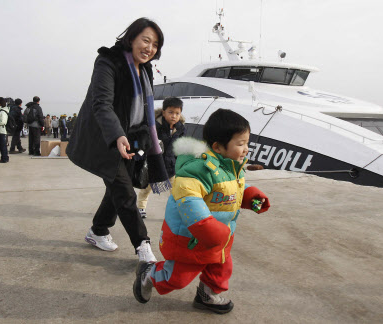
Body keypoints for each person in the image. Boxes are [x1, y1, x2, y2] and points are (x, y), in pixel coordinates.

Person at [133, 109, 271, 314]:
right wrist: (206, 227)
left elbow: (233, 188)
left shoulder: (233, 166)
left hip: (220, 236)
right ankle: (149, 273)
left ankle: (207, 296)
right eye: (240, 144)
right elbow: (189, 200)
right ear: (217, 146)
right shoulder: (196, 170)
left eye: (247, 143)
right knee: (177, 278)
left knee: (220, 269)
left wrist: (251, 197)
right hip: (192, 238)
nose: (246, 149)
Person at [67, 17, 169, 264]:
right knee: (124, 192)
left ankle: (98, 230)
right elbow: (101, 103)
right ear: (131, 38)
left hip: (132, 139)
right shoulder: (108, 61)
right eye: (145, 40)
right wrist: (117, 134)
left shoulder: (144, 69)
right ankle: (143, 247)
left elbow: (145, 109)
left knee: (118, 188)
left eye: (155, 44)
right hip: (105, 137)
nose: (149, 48)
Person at [137, 97, 186, 218]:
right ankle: (140, 208)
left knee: (175, 190)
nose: (174, 116)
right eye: (170, 112)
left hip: (171, 165)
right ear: (163, 112)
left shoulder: (180, 128)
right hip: (155, 163)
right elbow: (146, 141)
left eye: (177, 113)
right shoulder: (155, 127)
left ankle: (175, 210)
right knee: (146, 188)